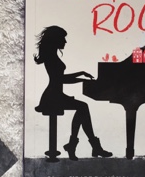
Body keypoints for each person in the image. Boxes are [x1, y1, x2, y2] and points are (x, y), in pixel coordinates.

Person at [34, 26, 112, 160]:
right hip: (53, 97)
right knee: (83, 107)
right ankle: (89, 146)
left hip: (55, 95)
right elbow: (60, 79)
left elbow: (60, 78)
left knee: (82, 108)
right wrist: (81, 78)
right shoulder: (51, 56)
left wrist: (81, 74)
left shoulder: (51, 55)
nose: (65, 41)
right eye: (63, 38)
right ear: (56, 39)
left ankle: (77, 145)